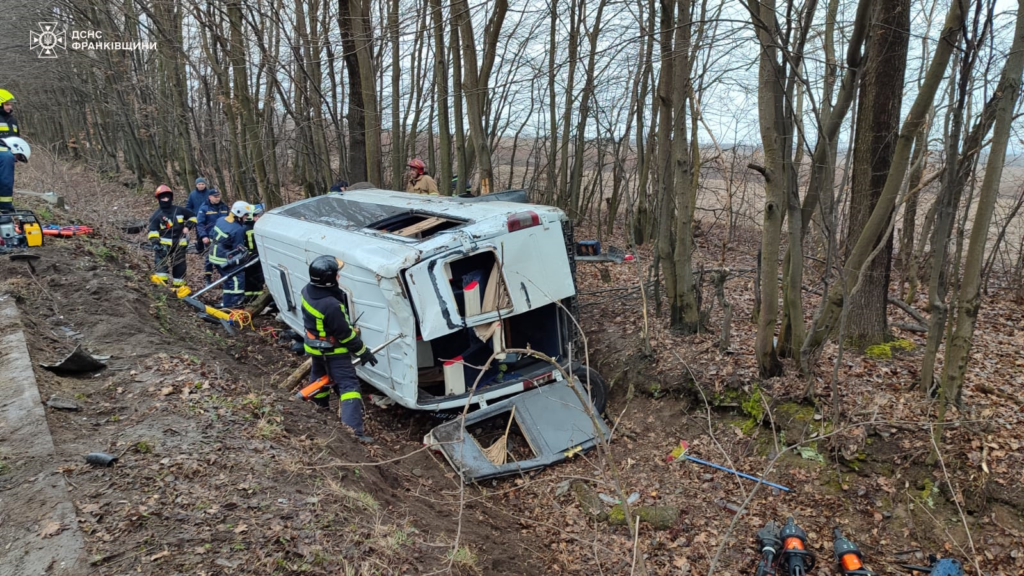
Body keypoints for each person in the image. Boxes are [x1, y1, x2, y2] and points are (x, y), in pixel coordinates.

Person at [301, 255, 378, 443]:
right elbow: (345, 334)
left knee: (319, 379)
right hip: (333, 352)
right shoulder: (331, 305)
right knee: (349, 386)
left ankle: (320, 412)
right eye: (337, 274)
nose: (339, 277)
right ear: (329, 280)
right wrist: (363, 352)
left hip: (315, 348)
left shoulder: (307, 291)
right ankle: (353, 433)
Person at [146, 185, 197, 288]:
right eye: (163, 198)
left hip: (179, 245)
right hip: (163, 247)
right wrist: (156, 243)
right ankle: (162, 289)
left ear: (171, 197)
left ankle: (179, 289)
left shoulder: (179, 210)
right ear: (158, 199)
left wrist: (188, 227)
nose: (165, 200)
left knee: (180, 267)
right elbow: (152, 231)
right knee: (161, 268)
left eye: (167, 197)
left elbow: (193, 217)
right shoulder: (156, 215)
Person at [208, 201, 255, 309]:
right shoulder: (237, 229)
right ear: (239, 214)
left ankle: (227, 304)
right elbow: (238, 249)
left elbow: (211, 235)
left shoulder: (221, 220)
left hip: (213, 255)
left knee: (227, 280)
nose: (246, 217)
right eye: (246, 215)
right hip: (223, 257)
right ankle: (236, 305)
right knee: (237, 279)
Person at [195, 189, 229, 287]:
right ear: (210, 197)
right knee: (208, 258)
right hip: (210, 237)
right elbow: (200, 224)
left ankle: (224, 278)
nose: (218, 198)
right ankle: (208, 279)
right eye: (215, 196)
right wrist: (204, 236)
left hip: (223, 237)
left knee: (224, 258)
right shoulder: (204, 208)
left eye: (218, 196)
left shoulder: (224, 207)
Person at [241, 205, 265, 302]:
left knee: (254, 278)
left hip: (252, 257)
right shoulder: (249, 229)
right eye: (256, 216)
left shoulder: (246, 227)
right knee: (254, 278)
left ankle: (253, 298)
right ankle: (253, 299)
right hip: (252, 258)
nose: (258, 218)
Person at [0, 137, 30, 213]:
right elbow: (5, 182)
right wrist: (5, 206)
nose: (16, 160)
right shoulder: (6, 155)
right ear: (15, 148)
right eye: (18, 157)